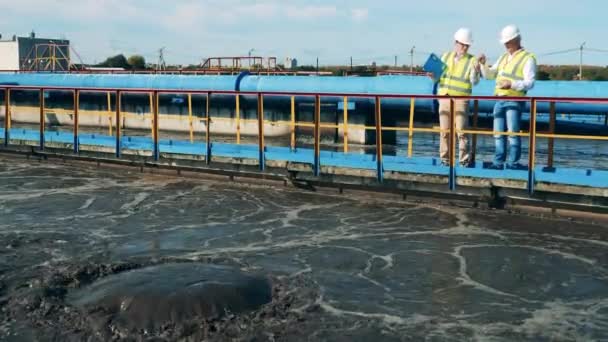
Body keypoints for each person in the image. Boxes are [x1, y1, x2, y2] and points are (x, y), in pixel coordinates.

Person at [478, 25, 537, 170]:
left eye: (508, 42)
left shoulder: (528, 58)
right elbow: (490, 75)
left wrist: (511, 84)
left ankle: (512, 163)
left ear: (516, 40)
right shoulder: (503, 57)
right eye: (505, 42)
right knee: (498, 133)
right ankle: (498, 163)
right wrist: (483, 65)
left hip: (514, 101)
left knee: (512, 133)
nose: (506, 45)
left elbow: (530, 83)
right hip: (499, 99)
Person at [436, 28, 480, 167]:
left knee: (461, 131)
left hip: (461, 99)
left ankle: (464, 160)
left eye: (467, 45)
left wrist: (477, 71)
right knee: (444, 131)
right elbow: (437, 78)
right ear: (456, 43)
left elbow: (475, 81)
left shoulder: (472, 60)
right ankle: (445, 159)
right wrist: (432, 75)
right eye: (463, 44)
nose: (465, 48)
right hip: (445, 98)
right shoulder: (445, 57)